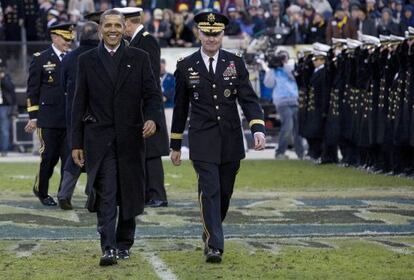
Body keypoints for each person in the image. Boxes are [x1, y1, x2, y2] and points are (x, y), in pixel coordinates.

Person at [170, 9, 266, 263]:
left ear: (222, 35)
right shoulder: (185, 65)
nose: (211, 39)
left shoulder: (235, 62)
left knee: (224, 193)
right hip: (202, 139)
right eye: (207, 34)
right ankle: (215, 245)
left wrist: (257, 128)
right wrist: (175, 144)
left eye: (216, 34)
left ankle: (210, 229)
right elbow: (180, 108)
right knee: (210, 189)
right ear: (198, 33)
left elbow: (248, 100)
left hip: (231, 138)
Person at [71, 9, 162, 266]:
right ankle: (108, 247)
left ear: (125, 29)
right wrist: (76, 143)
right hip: (99, 140)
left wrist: (152, 118)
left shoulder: (140, 57)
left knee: (130, 192)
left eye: (117, 26)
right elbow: (78, 104)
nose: (112, 30)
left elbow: (153, 95)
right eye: (107, 25)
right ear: (100, 29)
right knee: (107, 193)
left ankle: (124, 243)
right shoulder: (86, 60)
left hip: (131, 139)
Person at [116, 7, 169, 208]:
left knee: (152, 153)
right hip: (136, 105)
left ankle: (157, 195)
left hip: (147, 105)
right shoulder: (134, 41)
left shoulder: (147, 41)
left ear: (129, 23)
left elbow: (151, 77)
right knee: (142, 152)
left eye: (122, 24)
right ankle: (147, 193)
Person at [25, 22, 75, 206]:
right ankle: (41, 191)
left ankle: (63, 195)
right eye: (65, 38)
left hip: (69, 119)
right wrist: (33, 117)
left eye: (70, 39)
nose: (68, 42)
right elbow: (32, 90)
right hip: (48, 119)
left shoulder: (74, 58)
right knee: (49, 158)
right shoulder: (40, 58)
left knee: (68, 159)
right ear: (54, 37)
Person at [56, 21, 100, 210]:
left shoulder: (69, 57)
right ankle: (93, 196)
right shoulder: (102, 56)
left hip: (73, 112)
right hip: (97, 112)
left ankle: (64, 193)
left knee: (74, 152)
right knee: (98, 156)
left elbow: (62, 84)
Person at [263, 50, 304, 159]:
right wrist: (271, 68)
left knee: (297, 128)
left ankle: (301, 153)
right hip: (281, 102)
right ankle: (280, 152)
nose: (282, 59)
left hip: (294, 100)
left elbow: (294, 77)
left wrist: (284, 65)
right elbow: (268, 84)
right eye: (280, 58)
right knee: (288, 126)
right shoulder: (274, 70)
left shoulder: (290, 67)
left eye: (284, 57)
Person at [0, 58, 16, 157]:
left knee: (4, 129)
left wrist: (2, 79)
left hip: (4, 106)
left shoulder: (6, 77)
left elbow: (11, 89)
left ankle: (4, 150)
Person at [160, 58, 175, 136]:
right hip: (157, 107)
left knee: (168, 126)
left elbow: (173, 89)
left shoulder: (171, 76)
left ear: (165, 65)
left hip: (168, 106)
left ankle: (169, 146)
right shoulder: (154, 76)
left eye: (162, 66)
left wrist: (165, 96)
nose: (160, 68)